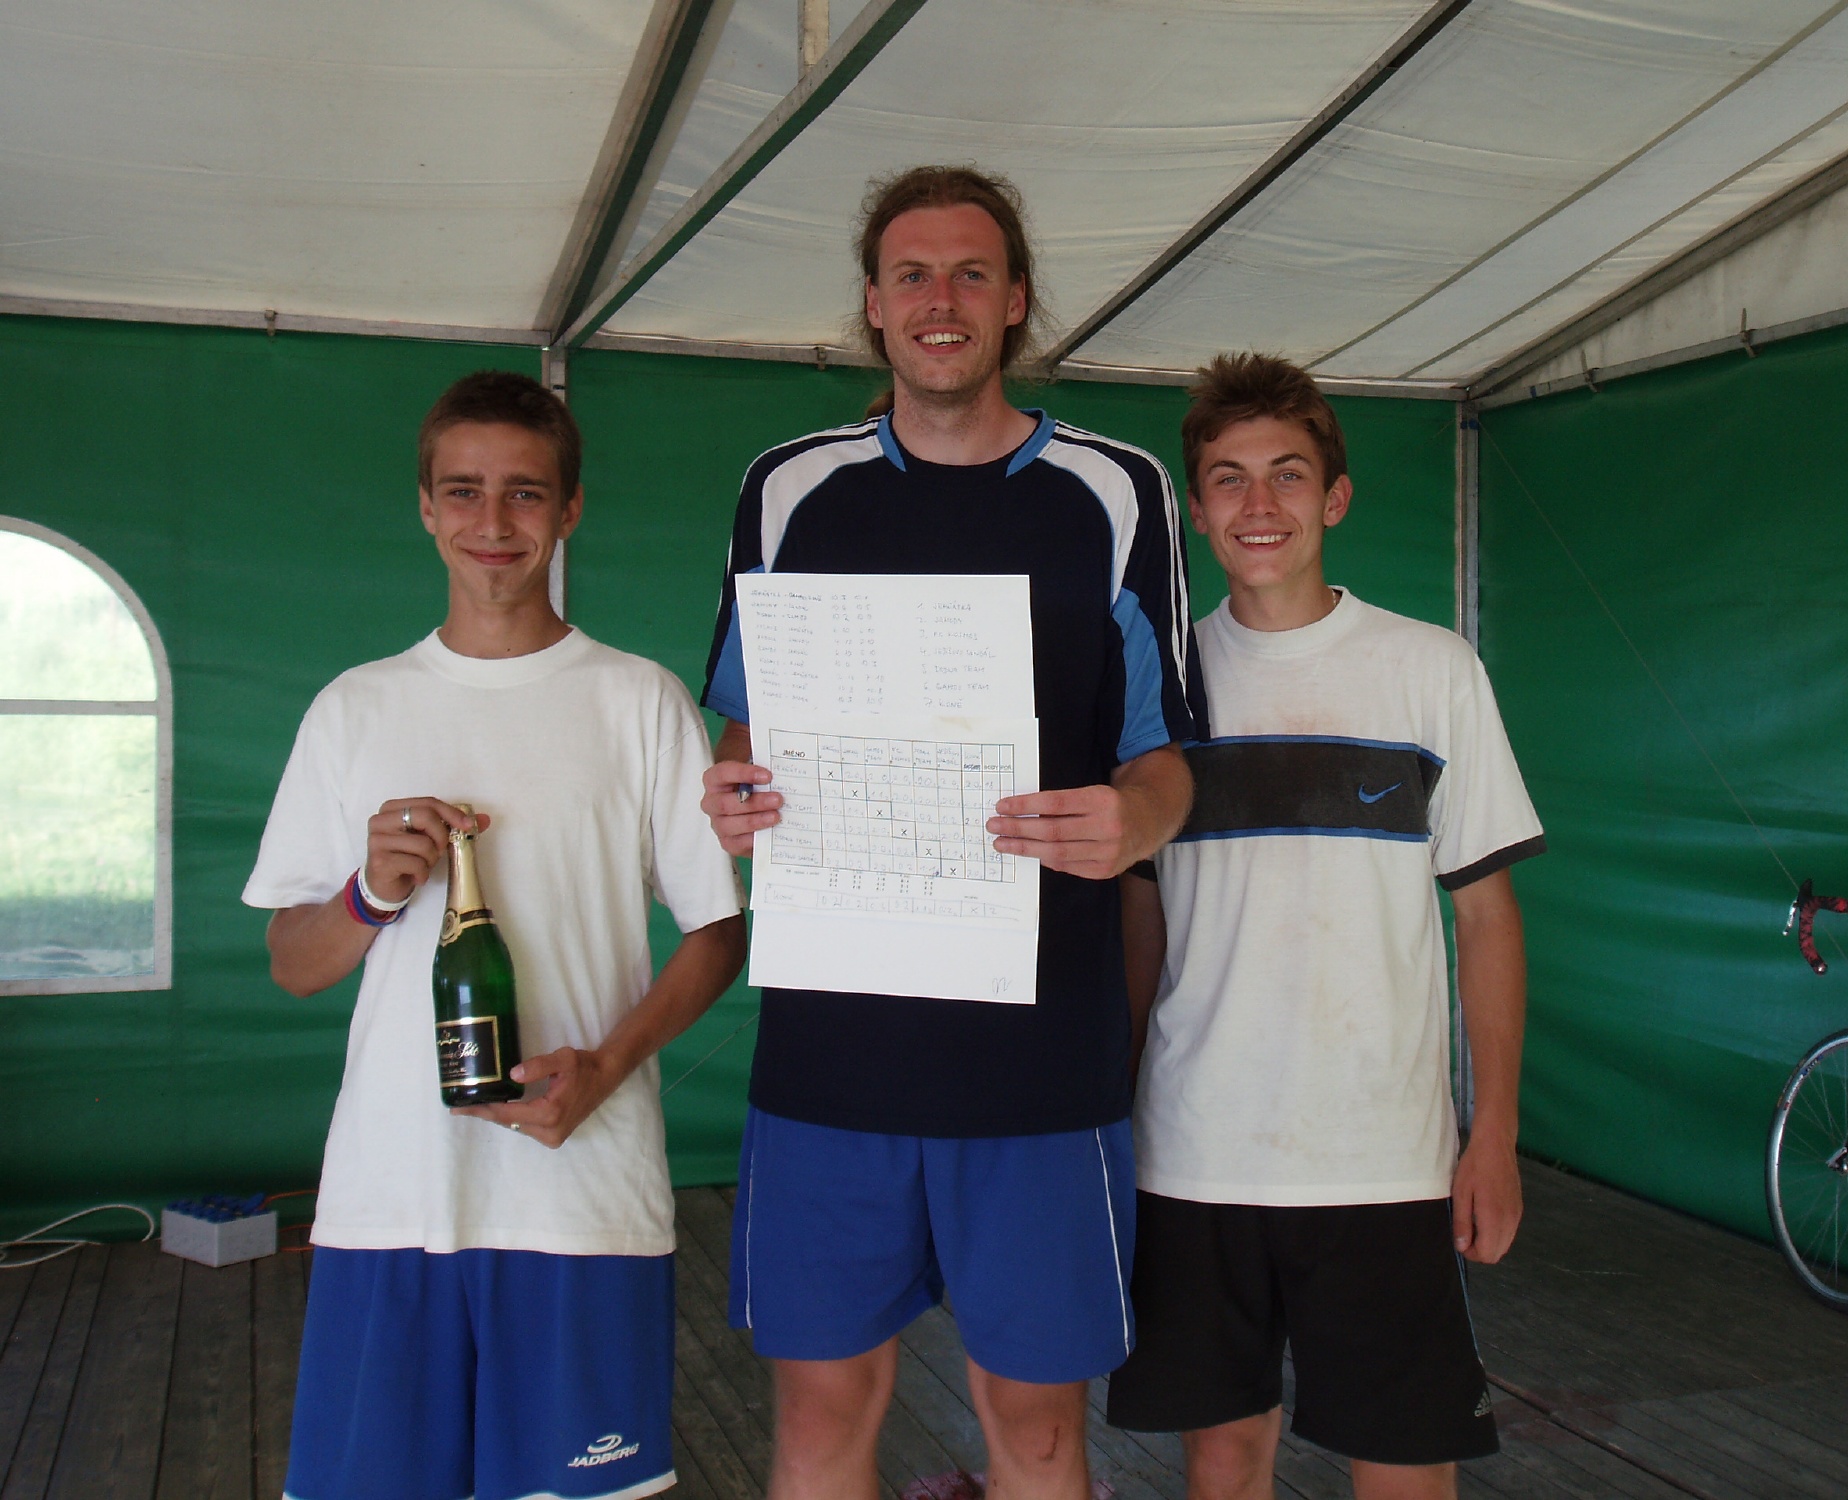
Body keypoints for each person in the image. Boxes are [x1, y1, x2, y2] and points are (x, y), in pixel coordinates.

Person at [697, 166, 1206, 1500]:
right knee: (820, 1416)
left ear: (1017, 298)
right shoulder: (788, 488)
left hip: (1039, 1061)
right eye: (912, 274)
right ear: (871, 304)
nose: (942, 299)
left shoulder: (1118, 490)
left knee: (1034, 1429)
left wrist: (1130, 820)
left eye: (972, 272)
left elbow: (1168, 758)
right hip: (830, 1057)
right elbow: (745, 725)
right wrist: (734, 788)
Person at [243, 370, 747, 1500]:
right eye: (464, 491)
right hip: (393, 1197)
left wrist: (605, 1068)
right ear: (425, 507)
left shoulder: (639, 700)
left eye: (525, 493)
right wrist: (367, 896)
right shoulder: (355, 707)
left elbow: (718, 932)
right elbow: (291, 964)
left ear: (570, 510)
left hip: (583, 1198)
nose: (493, 522)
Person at [1106, 353, 1542, 1500]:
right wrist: (1111, 1103)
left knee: (1402, 1465)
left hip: (1383, 1158)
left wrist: (1491, 1135)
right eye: (1228, 479)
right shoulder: (1160, 687)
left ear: (1335, 497)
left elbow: (1486, 919)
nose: (1259, 505)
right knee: (1223, 1458)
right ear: (1195, 511)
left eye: (1287, 475)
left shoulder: (1431, 670)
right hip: (1193, 1149)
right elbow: (1139, 915)